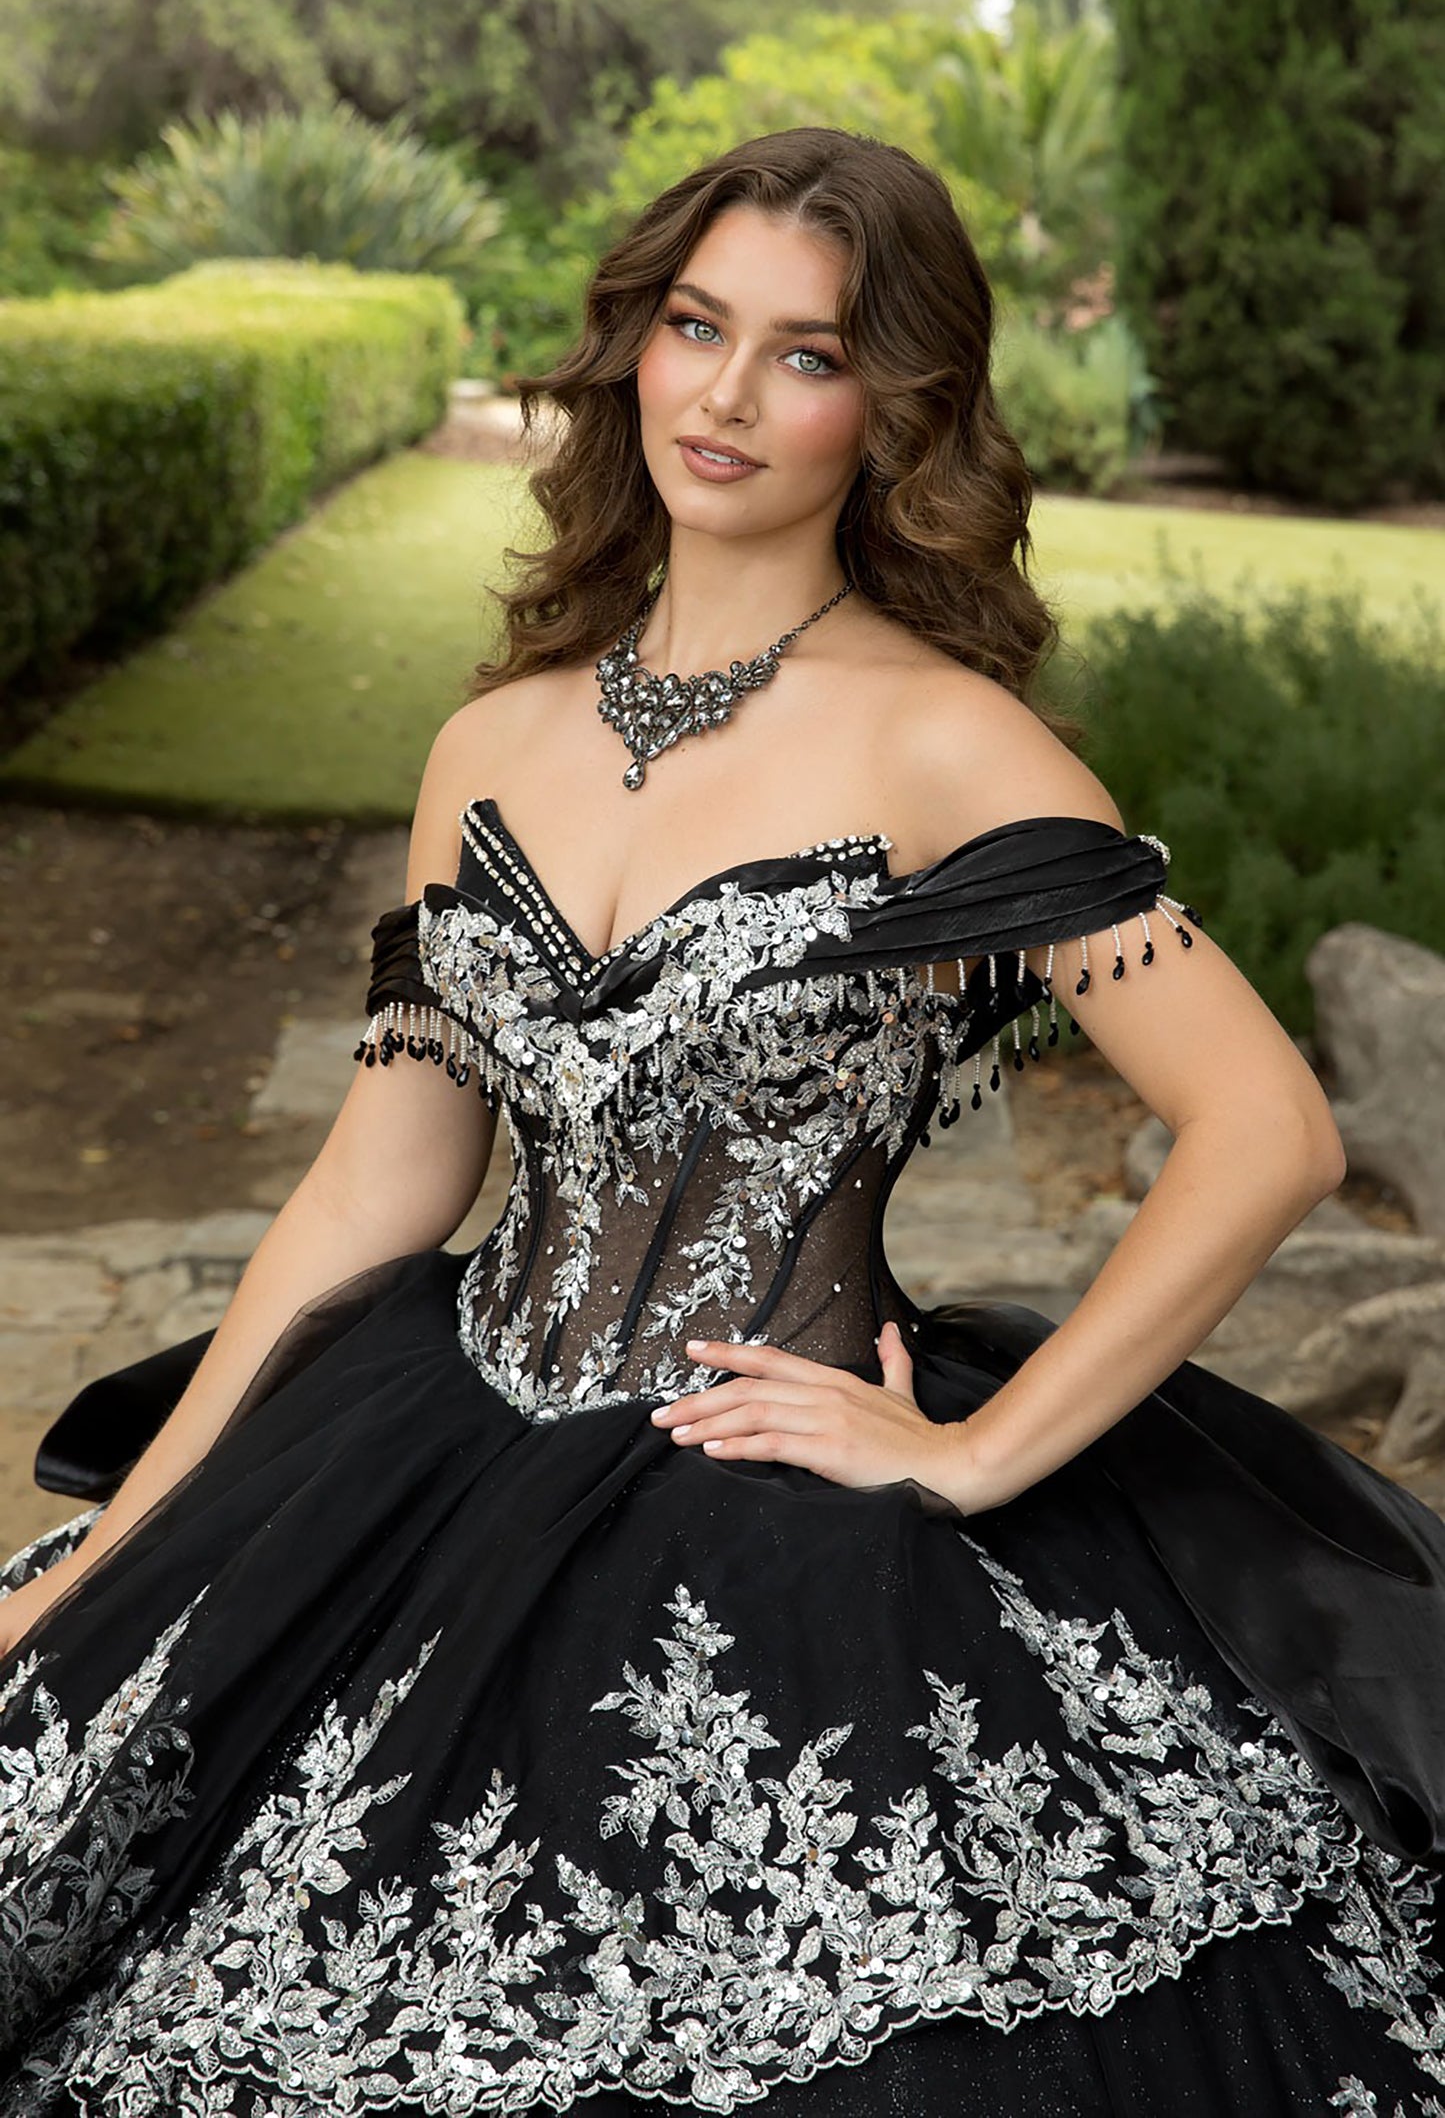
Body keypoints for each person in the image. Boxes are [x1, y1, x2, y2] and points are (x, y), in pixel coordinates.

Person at [0, 126, 1441, 2117]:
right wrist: (128, 1536)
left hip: (770, 1509)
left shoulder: (949, 744)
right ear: (638, 346)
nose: (731, 395)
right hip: (427, 1452)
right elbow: (380, 1184)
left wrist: (969, 1449)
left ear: (898, 409)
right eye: (697, 326)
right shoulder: (489, 742)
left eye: (809, 352)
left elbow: (1265, 1123)